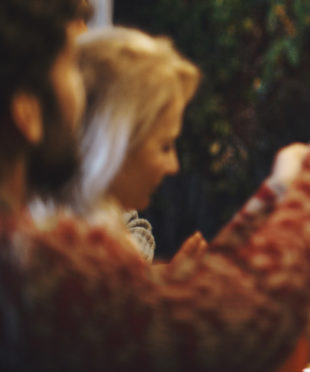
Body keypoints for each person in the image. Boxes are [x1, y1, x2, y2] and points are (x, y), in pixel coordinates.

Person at [0, 0, 310, 372]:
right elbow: (225, 339)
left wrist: (275, 197)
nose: (86, 91)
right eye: (70, 67)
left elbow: (193, 309)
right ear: (27, 113)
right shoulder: (39, 258)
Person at [29, 26, 202, 262]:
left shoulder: (96, 220)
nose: (174, 166)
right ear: (115, 144)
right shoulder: (77, 251)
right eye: (165, 146)